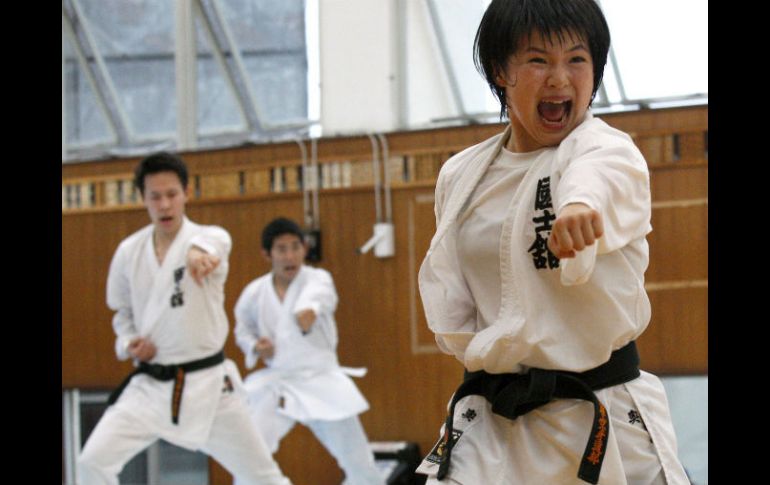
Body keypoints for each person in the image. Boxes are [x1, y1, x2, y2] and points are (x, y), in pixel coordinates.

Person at [414, 1, 691, 484]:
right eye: (538, 60)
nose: (560, 79)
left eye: (577, 59)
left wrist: (579, 207)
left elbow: (595, 176)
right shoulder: (461, 175)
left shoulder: (608, 151)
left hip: (596, 413)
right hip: (493, 421)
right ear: (501, 71)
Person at [77, 152, 292, 485]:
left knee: (262, 477)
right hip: (150, 386)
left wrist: (198, 254)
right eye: (155, 197)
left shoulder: (209, 238)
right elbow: (122, 313)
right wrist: (129, 342)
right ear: (143, 199)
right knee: (92, 462)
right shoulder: (128, 252)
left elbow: (214, 246)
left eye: (172, 195)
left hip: (209, 388)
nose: (164, 205)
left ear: (187, 194)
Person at [233, 217, 385, 485]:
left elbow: (317, 298)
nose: (290, 255)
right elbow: (242, 329)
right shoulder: (254, 293)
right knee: (251, 456)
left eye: (295, 247)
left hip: (321, 380)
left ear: (304, 249)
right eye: (281, 249)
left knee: (359, 462)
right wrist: (256, 347)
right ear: (267, 254)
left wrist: (308, 310)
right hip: (278, 382)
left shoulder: (318, 280)